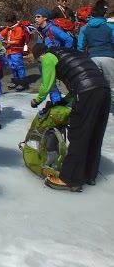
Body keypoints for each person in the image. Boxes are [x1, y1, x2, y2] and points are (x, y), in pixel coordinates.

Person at [31, 43, 110, 191]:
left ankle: (70, 179)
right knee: (94, 133)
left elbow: (47, 84)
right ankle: (89, 175)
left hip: (87, 92)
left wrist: (37, 100)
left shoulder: (47, 57)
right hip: (103, 90)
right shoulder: (68, 52)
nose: (40, 63)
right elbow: (80, 81)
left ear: (39, 56)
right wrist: (65, 101)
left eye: (38, 61)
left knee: (79, 134)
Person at [77, 0, 114, 104]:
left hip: (92, 59)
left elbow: (80, 46)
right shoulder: (110, 27)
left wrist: (84, 60)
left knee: (95, 87)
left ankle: (96, 110)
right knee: (112, 86)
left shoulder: (84, 28)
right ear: (104, 14)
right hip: (109, 58)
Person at [35, 7, 73, 103]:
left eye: (38, 16)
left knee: (54, 84)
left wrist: (63, 54)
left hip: (55, 60)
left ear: (45, 18)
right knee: (51, 85)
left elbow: (69, 39)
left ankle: (58, 104)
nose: (36, 19)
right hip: (45, 60)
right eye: (35, 17)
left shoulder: (53, 29)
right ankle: (56, 104)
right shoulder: (40, 30)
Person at [0, 14, 30, 92]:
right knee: (12, 67)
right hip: (9, 51)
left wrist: (7, 41)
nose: (7, 24)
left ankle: (22, 82)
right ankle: (16, 81)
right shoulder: (9, 28)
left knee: (18, 67)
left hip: (16, 51)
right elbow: (0, 35)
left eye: (8, 22)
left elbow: (17, 41)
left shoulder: (18, 28)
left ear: (12, 21)